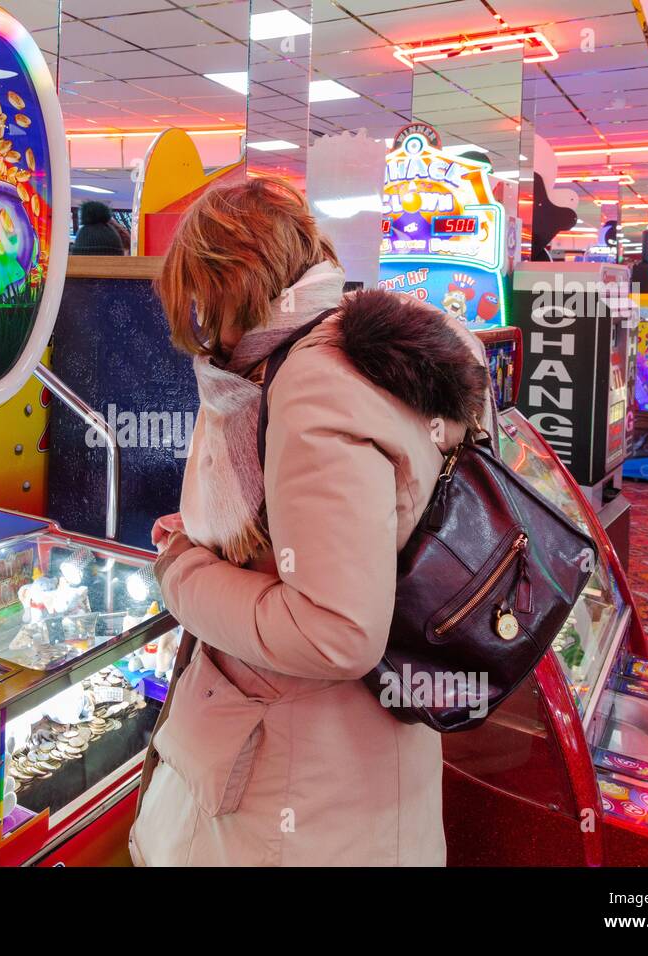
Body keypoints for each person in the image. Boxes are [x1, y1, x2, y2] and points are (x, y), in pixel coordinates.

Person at [129, 178, 490, 866]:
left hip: (300, 785)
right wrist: (233, 545)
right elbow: (350, 530)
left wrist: (184, 572)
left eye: (201, 303)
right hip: (353, 762)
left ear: (229, 282)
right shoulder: (352, 346)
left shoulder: (309, 383)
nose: (206, 334)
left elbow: (337, 633)